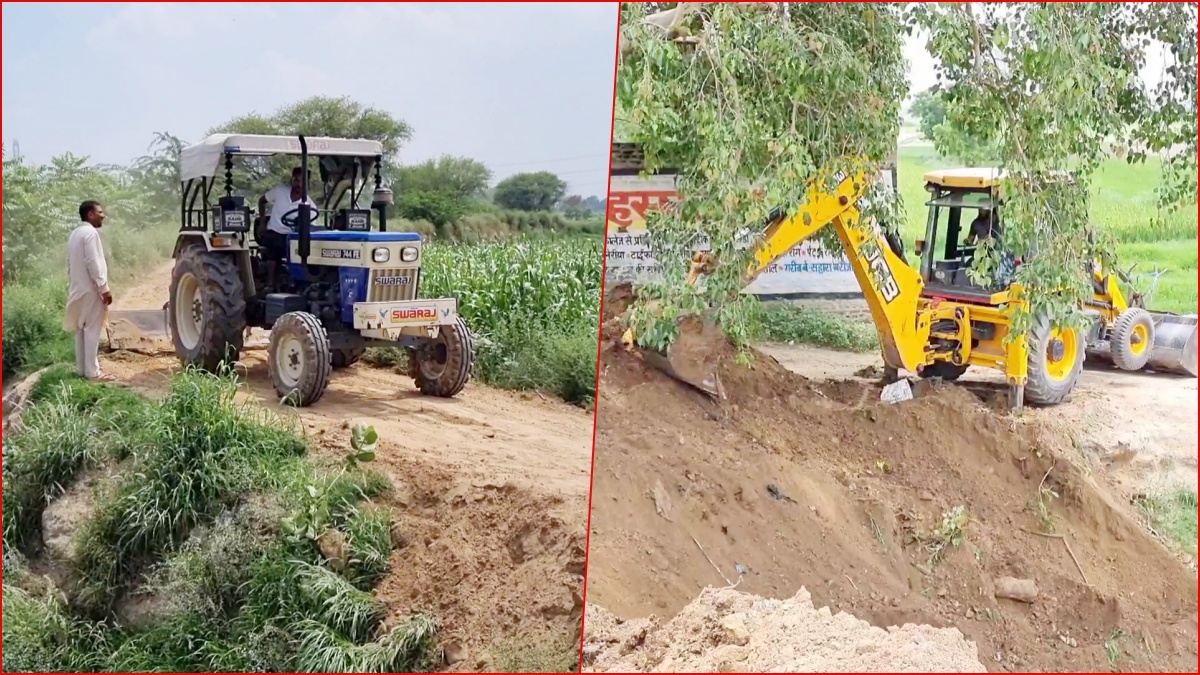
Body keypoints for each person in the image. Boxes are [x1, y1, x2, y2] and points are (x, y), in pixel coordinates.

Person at [63, 200, 114, 381]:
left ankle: (82, 370)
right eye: (100, 212)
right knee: (92, 329)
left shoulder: (75, 233)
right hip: (91, 289)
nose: (103, 215)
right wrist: (104, 288)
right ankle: (93, 373)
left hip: (78, 287)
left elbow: (70, 264)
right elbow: (93, 262)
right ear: (90, 215)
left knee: (81, 329)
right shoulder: (91, 234)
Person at [258, 166, 319, 283]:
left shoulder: (311, 206)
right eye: (296, 180)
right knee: (274, 249)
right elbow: (262, 200)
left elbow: (310, 228)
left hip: (293, 236)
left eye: (302, 181)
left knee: (303, 249)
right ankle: (270, 284)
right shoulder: (280, 190)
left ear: (307, 183)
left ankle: (298, 282)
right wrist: (262, 221)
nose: (299, 184)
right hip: (274, 231)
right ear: (292, 180)